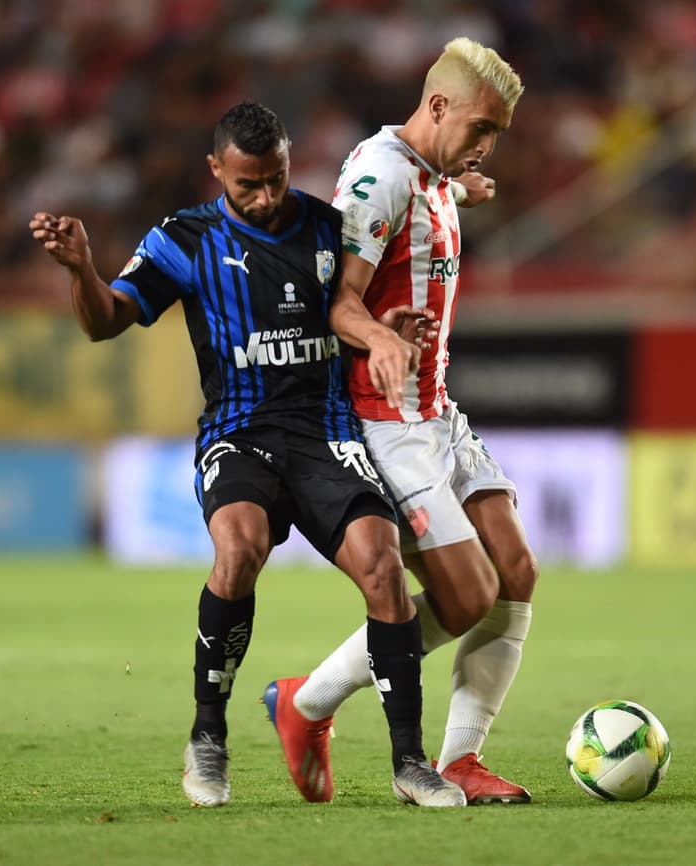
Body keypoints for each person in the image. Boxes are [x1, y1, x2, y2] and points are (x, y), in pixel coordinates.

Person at [29, 101, 465, 809]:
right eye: (246, 186)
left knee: (383, 568)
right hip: (240, 432)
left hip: (327, 433)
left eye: (275, 180)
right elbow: (108, 322)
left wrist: (385, 326)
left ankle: (410, 762)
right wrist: (82, 269)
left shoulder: (329, 226)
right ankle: (208, 737)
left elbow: (351, 308)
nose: (264, 199)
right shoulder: (183, 238)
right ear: (216, 172)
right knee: (237, 551)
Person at [263, 38, 539, 805]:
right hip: (386, 421)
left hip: (436, 409)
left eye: (499, 137)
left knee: (515, 570)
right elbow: (337, 301)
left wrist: (465, 186)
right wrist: (381, 336)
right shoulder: (380, 175)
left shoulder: (433, 172)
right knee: (467, 597)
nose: (487, 147)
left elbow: (433, 198)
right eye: (481, 129)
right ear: (438, 105)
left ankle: (460, 761)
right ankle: (307, 702)